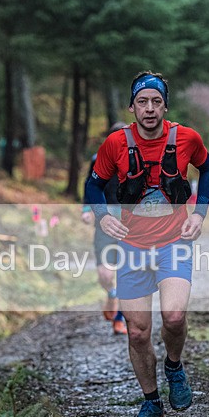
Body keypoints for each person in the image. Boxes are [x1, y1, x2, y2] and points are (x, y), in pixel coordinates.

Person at [85, 71, 209, 417]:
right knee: (138, 331)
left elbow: (208, 168)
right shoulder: (115, 144)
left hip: (174, 242)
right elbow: (94, 184)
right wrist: (101, 217)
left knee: (174, 317)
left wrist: (200, 213)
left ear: (165, 106)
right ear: (132, 107)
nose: (149, 108)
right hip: (131, 248)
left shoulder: (187, 138)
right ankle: (151, 401)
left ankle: (174, 366)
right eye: (142, 101)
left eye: (156, 101)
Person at [81, 122, 129, 335]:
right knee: (105, 274)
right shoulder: (98, 160)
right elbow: (89, 185)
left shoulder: (137, 161)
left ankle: (120, 319)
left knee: (126, 271)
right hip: (105, 220)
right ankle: (111, 294)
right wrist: (86, 208)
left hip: (131, 222)